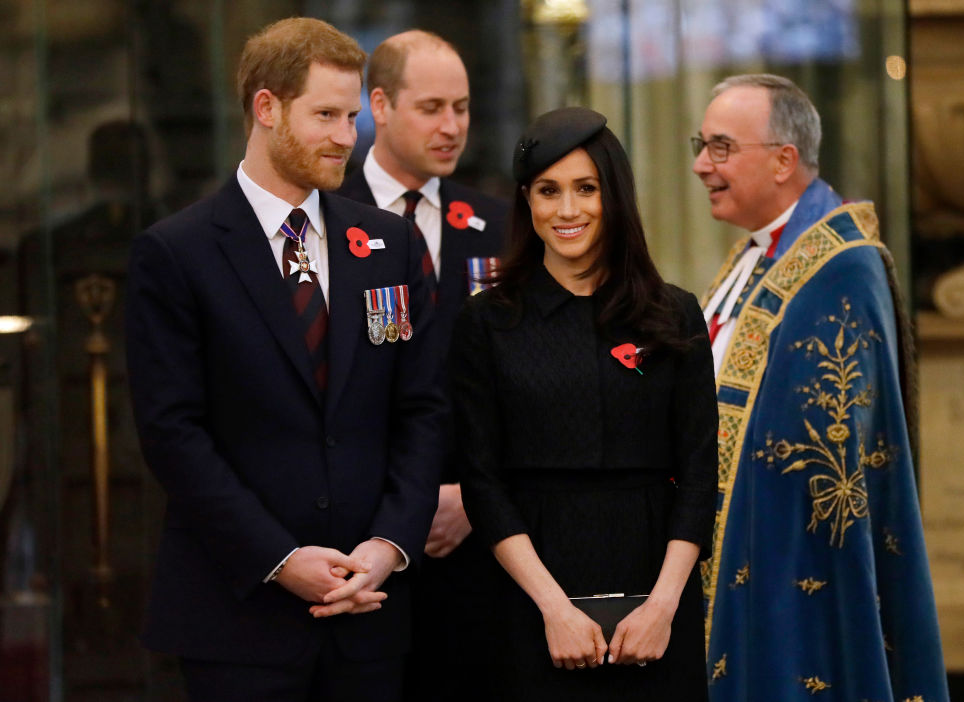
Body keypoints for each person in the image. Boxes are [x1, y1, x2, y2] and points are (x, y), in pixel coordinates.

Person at [125, 18, 444, 702]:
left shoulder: (390, 243)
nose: (345, 136)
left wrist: (388, 545)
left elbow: (424, 409)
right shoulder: (177, 254)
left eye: (353, 115)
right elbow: (171, 432)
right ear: (267, 108)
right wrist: (279, 558)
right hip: (236, 620)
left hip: (371, 614)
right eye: (325, 114)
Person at [693, 74, 949, 702]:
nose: (702, 164)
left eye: (722, 147)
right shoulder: (753, 255)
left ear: (784, 161)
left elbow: (819, 462)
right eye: (701, 144)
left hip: (793, 569)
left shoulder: (840, 269)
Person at [449, 106, 718, 701]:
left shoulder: (674, 315)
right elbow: (482, 483)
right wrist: (553, 608)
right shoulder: (488, 322)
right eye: (548, 191)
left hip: (657, 587)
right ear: (527, 202)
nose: (567, 211)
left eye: (586, 189)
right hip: (529, 590)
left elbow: (701, 475)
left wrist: (662, 606)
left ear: (614, 196)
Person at [335, 29, 508, 701]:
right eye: (432, 107)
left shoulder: (496, 226)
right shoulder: (326, 217)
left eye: (462, 108)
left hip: (477, 533)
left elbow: (524, 379)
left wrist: (475, 493)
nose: (451, 126)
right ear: (379, 104)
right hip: (362, 533)